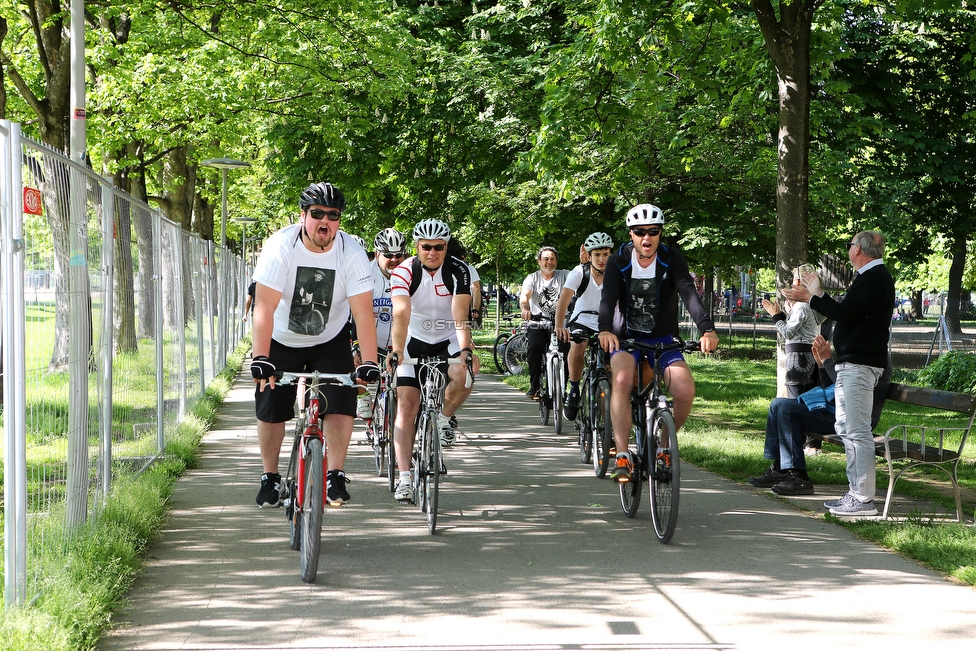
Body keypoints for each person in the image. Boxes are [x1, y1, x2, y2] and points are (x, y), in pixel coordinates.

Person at [249, 182, 379, 508]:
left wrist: (369, 362)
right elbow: (264, 307)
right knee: (271, 403)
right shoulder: (281, 246)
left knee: (342, 397)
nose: (325, 221)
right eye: (317, 213)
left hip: (329, 339)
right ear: (303, 215)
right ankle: (270, 477)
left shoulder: (351, 253)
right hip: (282, 338)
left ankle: (335, 473)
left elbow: (363, 313)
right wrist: (261, 356)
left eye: (333, 215)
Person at [598, 203, 719, 483]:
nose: (647, 237)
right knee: (622, 380)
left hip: (663, 338)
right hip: (626, 338)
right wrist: (605, 329)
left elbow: (689, 294)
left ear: (660, 233)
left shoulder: (671, 258)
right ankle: (622, 455)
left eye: (653, 231)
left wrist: (707, 329)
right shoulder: (618, 260)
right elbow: (608, 298)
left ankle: (664, 447)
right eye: (640, 232)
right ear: (631, 234)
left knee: (685, 390)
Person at [782, 230, 895, 517]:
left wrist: (811, 298)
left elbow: (844, 313)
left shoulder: (874, 277)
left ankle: (863, 499)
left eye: (849, 244)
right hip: (851, 364)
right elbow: (847, 310)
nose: (848, 249)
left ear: (858, 249)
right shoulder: (868, 277)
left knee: (857, 431)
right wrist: (817, 294)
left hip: (860, 365)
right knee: (847, 428)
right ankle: (856, 493)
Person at [389, 219, 480, 502]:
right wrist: (397, 350)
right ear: (417, 247)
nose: (432, 252)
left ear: (446, 247)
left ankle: (443, 418)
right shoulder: (404, 271)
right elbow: (401, 314)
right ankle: (405, 478)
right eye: (426, 247)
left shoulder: (459, 270)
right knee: (407, 405)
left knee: (465, 375)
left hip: (448, 337)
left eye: (438, 247)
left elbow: (460, 314)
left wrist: (465, 350)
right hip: (413, 339)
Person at [748, 334, 891, 495]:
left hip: (855, 419)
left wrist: (827, 361)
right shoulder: (860, 353)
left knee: (788, 411)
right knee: (777, 404)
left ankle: (799, 477)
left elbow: (847, 388)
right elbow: (834, 387)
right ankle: (780, 469)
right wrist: (822, 366)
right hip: (839, 411)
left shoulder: (873, 359)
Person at [554, 232, 614, 421]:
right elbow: (563, 301)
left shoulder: (616, 273)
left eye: (605, 254)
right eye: (597, 255)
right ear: (589, 256)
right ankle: (573, 390)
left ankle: (606, 422)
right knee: (578, 345)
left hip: (607, 323)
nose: (602, 259)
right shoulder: (579, 273)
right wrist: (559, 326)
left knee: (611, 365)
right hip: (582, 319)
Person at [354, 227, 408, 420]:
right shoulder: (364, 274)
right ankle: (363, 396)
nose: (394, 259)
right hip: (371, 341)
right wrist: (356, 345)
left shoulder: (411, 273)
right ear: (377, 254)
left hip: (401, 343)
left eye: (399, 255)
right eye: (388, 255)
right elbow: (354, 313)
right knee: (354, 364)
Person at [762, 263, 823, 398]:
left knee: (796, 398)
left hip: (798, 358)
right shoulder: (813, 304)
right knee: (809, 399)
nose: (793, 285)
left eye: (795, 280)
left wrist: (775, 315)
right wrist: (783, 315)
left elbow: (788, 333)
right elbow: (800, 328)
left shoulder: (801, 306)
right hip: (809, 355)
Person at [520, 247, 570, 399]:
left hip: (560, 323)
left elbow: (579, 280)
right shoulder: (532, 278)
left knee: (567, 351)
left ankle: (562, 388)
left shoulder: (565, 275)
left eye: (552, 259)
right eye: (546, 259)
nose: (549, 262)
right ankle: (535, 385)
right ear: (539, 261)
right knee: (534, 347)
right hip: (538, 322)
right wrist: (525, 308)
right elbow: (525, 296)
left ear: (557, 261)